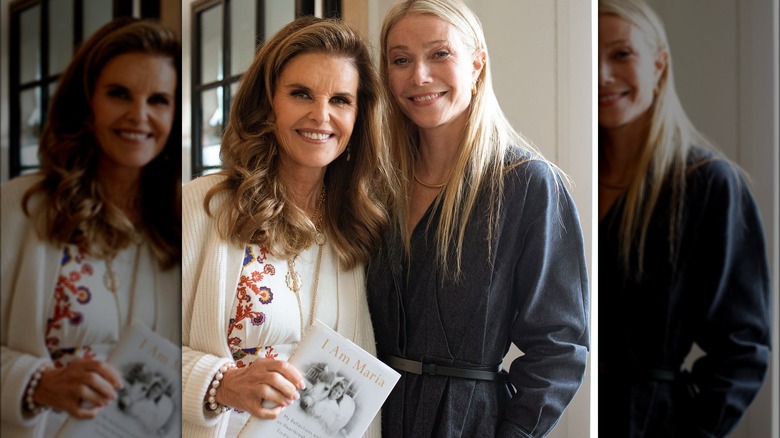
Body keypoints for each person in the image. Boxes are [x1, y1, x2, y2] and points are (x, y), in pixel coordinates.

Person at [365, 0, 590, 436]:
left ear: (477, 64)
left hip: (468, 423)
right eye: (400, 60)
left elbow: (559, 346)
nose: (419, 76)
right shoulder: (374, 186)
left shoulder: (528, 185)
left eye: (439, 54)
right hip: (368, 419)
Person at [181, 16, 395, 438]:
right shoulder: (201, 207)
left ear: (359, 114)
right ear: (267, 103)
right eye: (301, 94)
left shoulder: (360, 225)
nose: (321, 115)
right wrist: (218, 382)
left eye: (340, 100)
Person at [0, 17, 182, 438]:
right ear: (87, 101)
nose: (139, 116)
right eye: (119, 94)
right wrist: (35, 382)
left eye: (158, 100)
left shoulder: (184, 221)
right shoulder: (20, 207)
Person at [597, 0, 772, 436]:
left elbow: (742, 349)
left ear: (659, 65)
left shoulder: (710, 184)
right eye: (591, 57)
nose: (602, 75)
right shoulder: (566, 179)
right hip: (566, 414)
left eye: (621, 54)